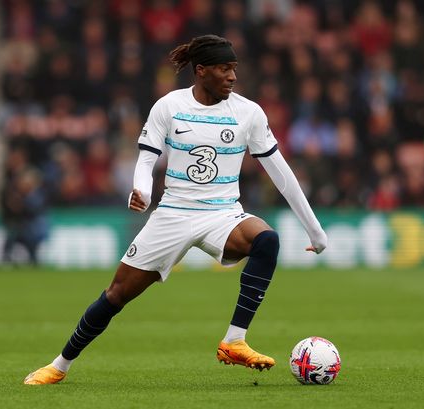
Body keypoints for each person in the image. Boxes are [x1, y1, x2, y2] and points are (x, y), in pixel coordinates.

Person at [23, 34, 327, 385]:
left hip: (223, 214)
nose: (232, 76)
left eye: (234, 69)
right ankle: (59, 365)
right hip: (173, 214)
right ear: (201, 71)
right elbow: (146, 159)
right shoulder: (169, 106)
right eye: (224, 69)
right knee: (116, 295)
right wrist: (143, 189)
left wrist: (314, 230)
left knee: (266, 240)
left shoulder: (248, 113)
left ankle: (234, 340)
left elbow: (281, 174)